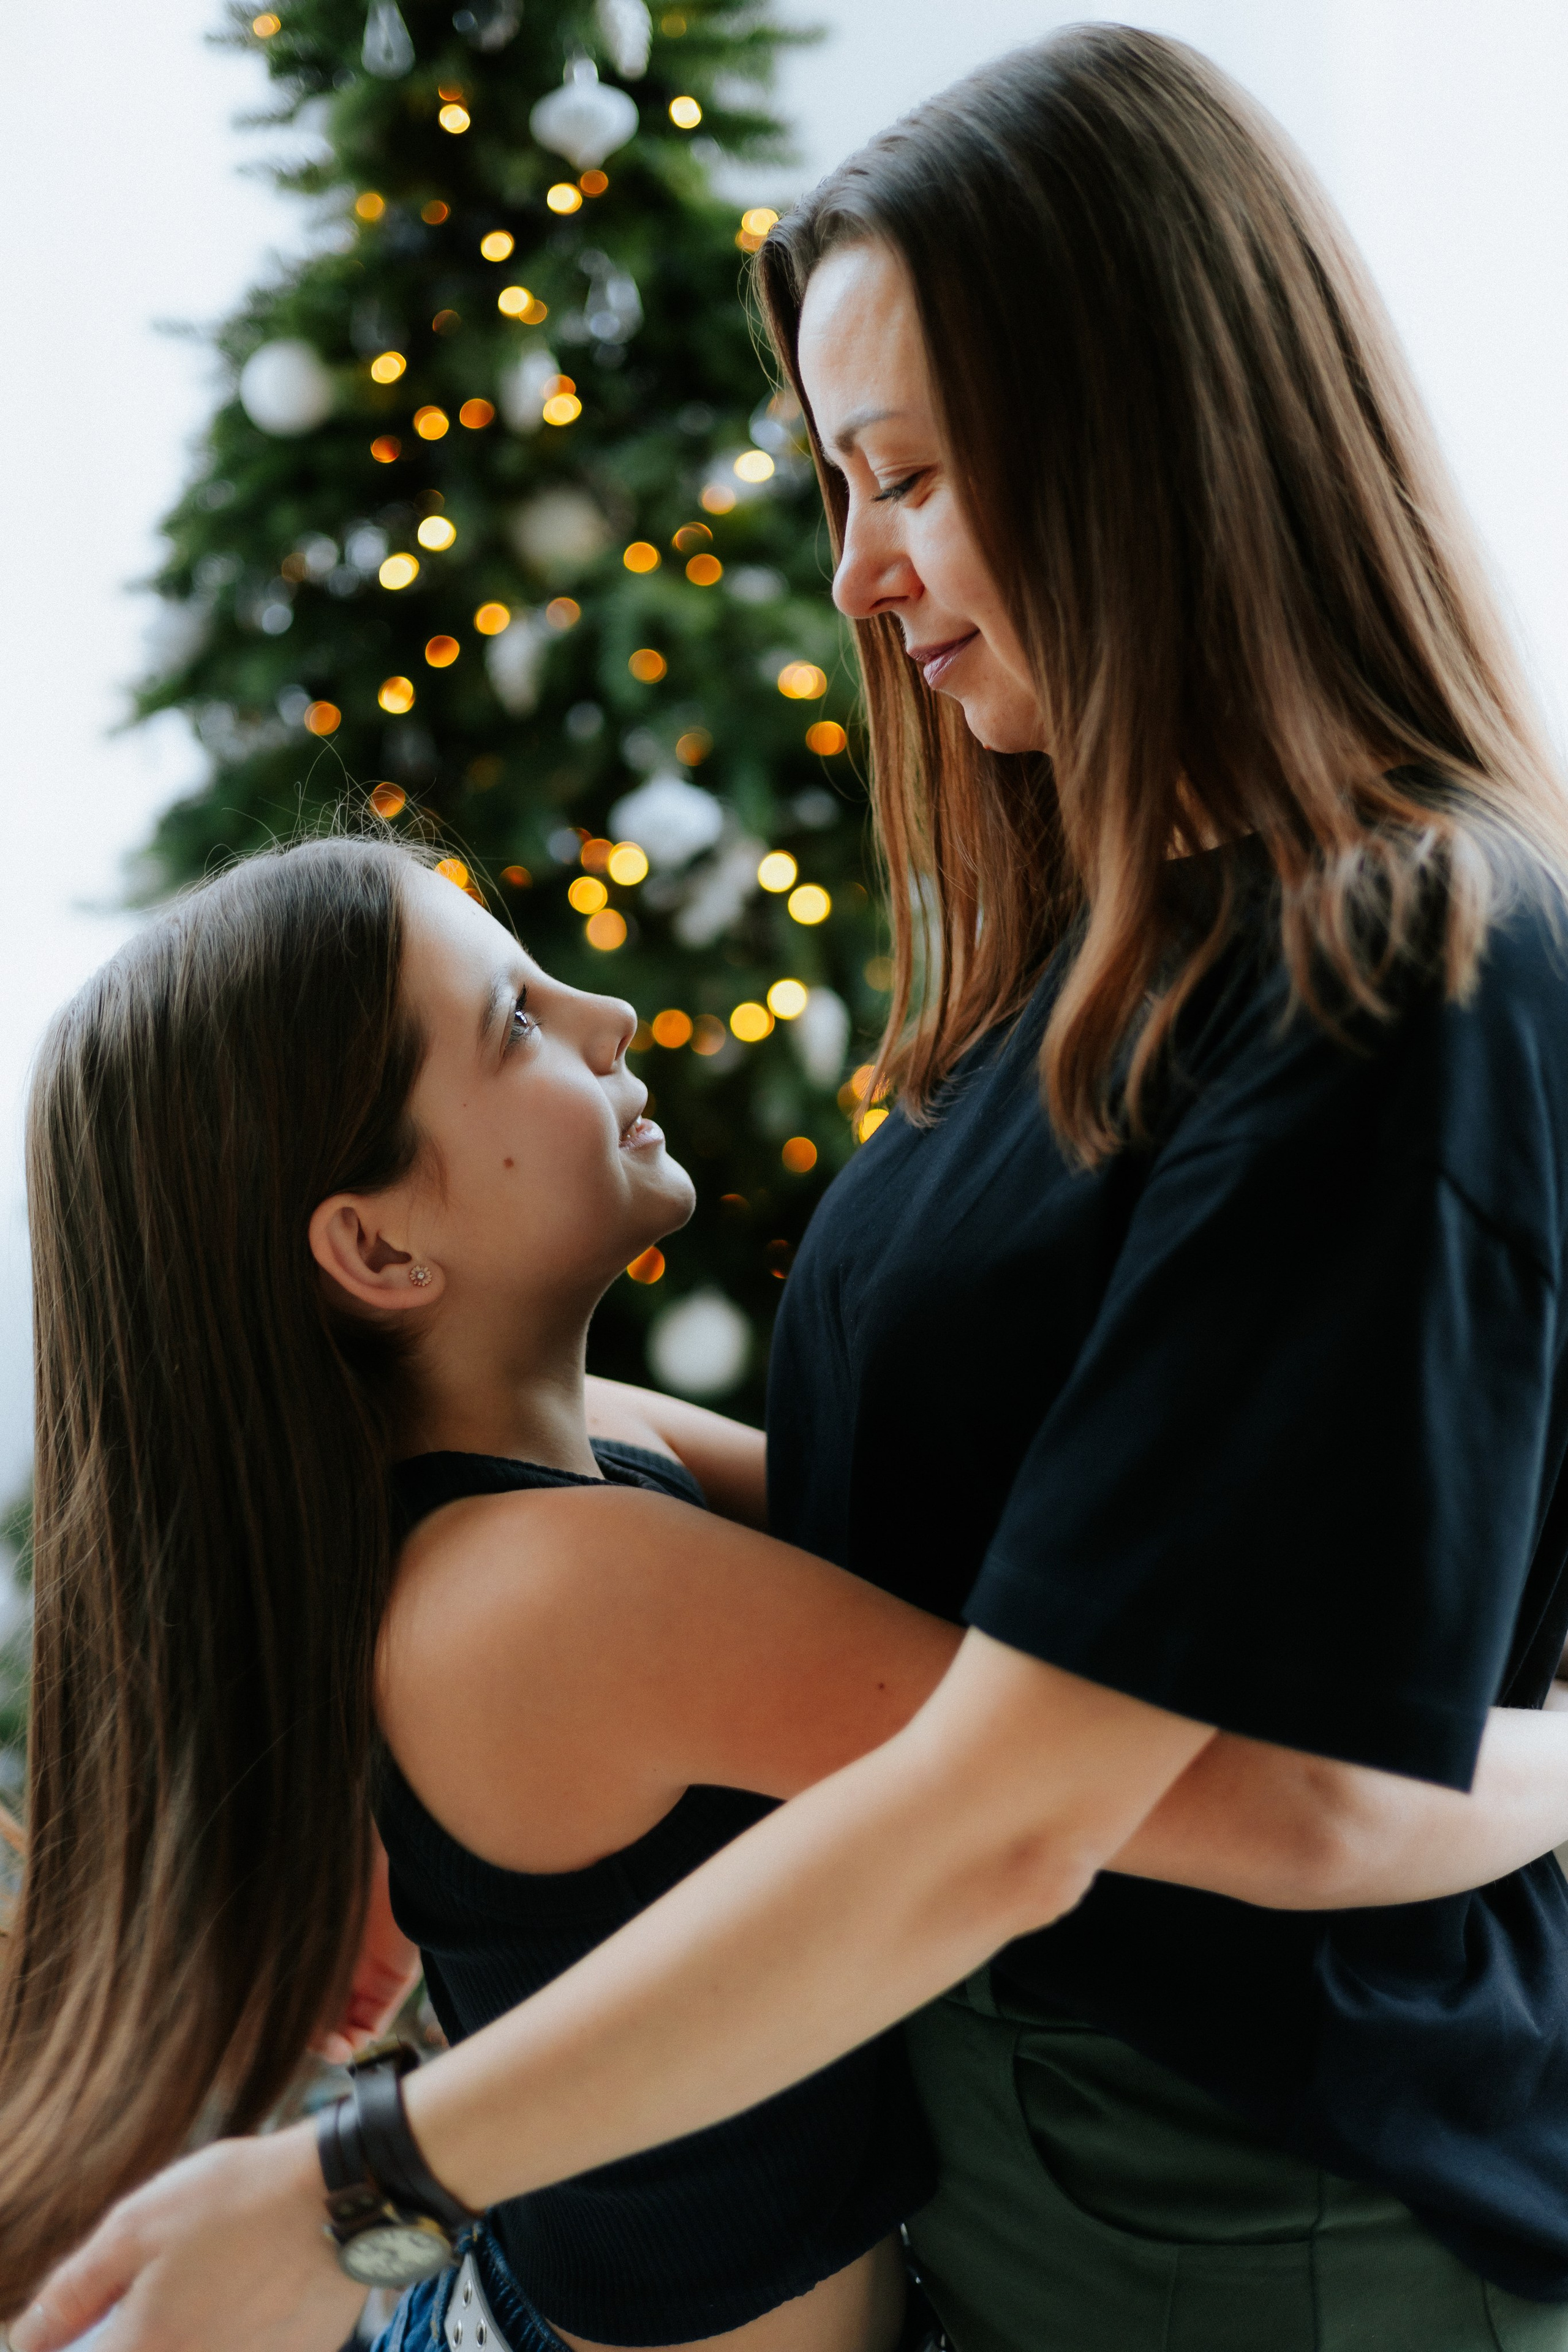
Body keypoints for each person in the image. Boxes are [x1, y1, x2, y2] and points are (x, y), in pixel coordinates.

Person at [13, 20, 1568, 2352]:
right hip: (1048, 2197)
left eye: (912, 475)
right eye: (840, 481)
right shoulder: (1105, 951)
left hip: (1261, 2214)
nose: (855, 574)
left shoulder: (1390, 973)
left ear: (1143, 443)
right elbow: (913, 1542)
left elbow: (1136, 1791)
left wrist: (362, 2186)